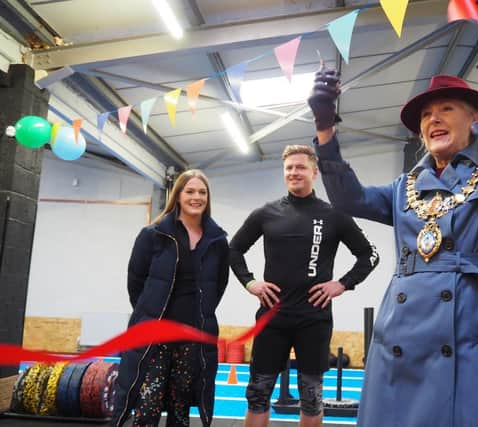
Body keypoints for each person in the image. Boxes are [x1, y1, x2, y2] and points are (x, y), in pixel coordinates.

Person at [307, 1, 478, 426]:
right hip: (401, 331)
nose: (433, 119)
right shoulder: (403, 188)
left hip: (466, 328)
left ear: (476, 119)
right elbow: (348, 199)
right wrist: (324, 129)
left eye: (446, 108)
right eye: (426, 115)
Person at [229, 144, 379, 427]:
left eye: (300, 167)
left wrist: (344, 284)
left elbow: (370, 254)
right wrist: (250, 283)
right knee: (258, 394)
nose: (294, 172)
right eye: (289, 168)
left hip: (314, 320)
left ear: (314, 172)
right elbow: (233, 250)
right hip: (272, 318)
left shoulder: (334, 214)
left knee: (311, 397)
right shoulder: (266, 213)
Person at [112, 169, 229, 427]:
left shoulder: (218, 240)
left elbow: (218, 285)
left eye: (202, 192)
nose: (196, 197)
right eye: (190, 191)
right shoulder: (153, 234)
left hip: (191, 339)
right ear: (177, 196)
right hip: (156, 336)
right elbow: (136, 282)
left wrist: (200, 313)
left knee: (180, 409)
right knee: (147, 405)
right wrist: (150, 312)